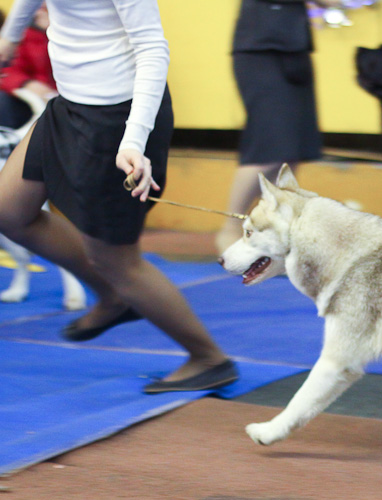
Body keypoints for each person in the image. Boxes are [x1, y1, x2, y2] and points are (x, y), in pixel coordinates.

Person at [0, 0, 238, 394]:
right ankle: (114, 296)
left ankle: (209, 358)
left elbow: (152, 48)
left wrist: (133, 140)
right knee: (9, 209)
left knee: (115, 259)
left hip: (119, 120)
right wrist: (10, 38)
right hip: (69, 105)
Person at [215, 0, 341, 253]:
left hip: (294, 47)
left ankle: (275, 232)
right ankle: (230, 228)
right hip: (261, 50)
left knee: (292, 152)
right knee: (268, 149)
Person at [0, 4, 56, 130]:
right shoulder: (24, 34)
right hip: (31, 99)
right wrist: (27, 83)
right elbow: (8, 70)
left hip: (70, 99)